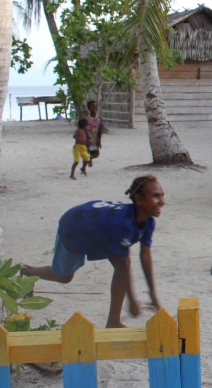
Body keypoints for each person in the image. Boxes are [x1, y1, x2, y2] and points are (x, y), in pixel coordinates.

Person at [23, 176, 164, 328]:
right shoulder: (122, 224)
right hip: (75, 225)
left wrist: (153, 295)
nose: (162, 201)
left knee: (123, 263)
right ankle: (28, 273)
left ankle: (113, 322)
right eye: (155, 196)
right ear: (139, 199)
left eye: (162, 195)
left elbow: (145, 255)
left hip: (100, 229)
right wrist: (132, 301)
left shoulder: (148, 221)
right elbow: (123, 266)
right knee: (64, 276)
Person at [85, 100, 103, 167]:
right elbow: (84, 130)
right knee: (87, 152)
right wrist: (86, 139)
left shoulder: (99, 119)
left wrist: (99, 140)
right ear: (89, 108)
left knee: (96, 154)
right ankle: (85, 166)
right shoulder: (86, 119)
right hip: (88, 138)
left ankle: (90, 159)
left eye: (95, 106)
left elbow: (100, 130)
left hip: (95, 138)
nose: (94, 108)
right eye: (92, 107)